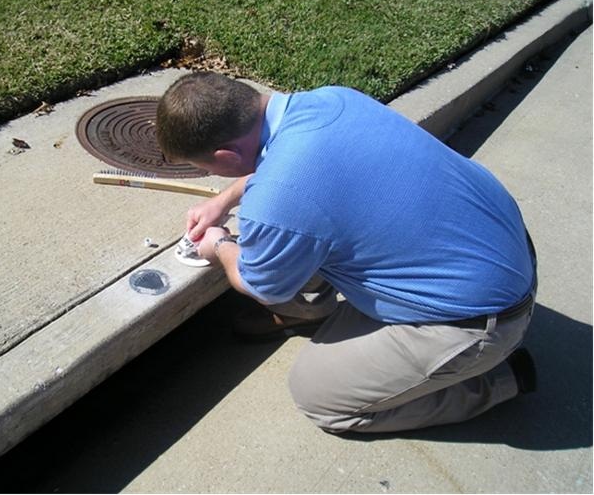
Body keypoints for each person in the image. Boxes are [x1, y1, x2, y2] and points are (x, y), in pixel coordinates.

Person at [155, 71, 537, 434]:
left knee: (317, 396)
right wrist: (224, 199)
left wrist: (219, 244)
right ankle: (311, 313)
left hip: (481, 317)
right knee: (300, 228)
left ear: (225, 157)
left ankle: (499, 381)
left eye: (205, 168)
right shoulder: (332, 100)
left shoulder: (277, 199)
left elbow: (261, 284)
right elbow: (295, 171)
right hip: (501, 249)